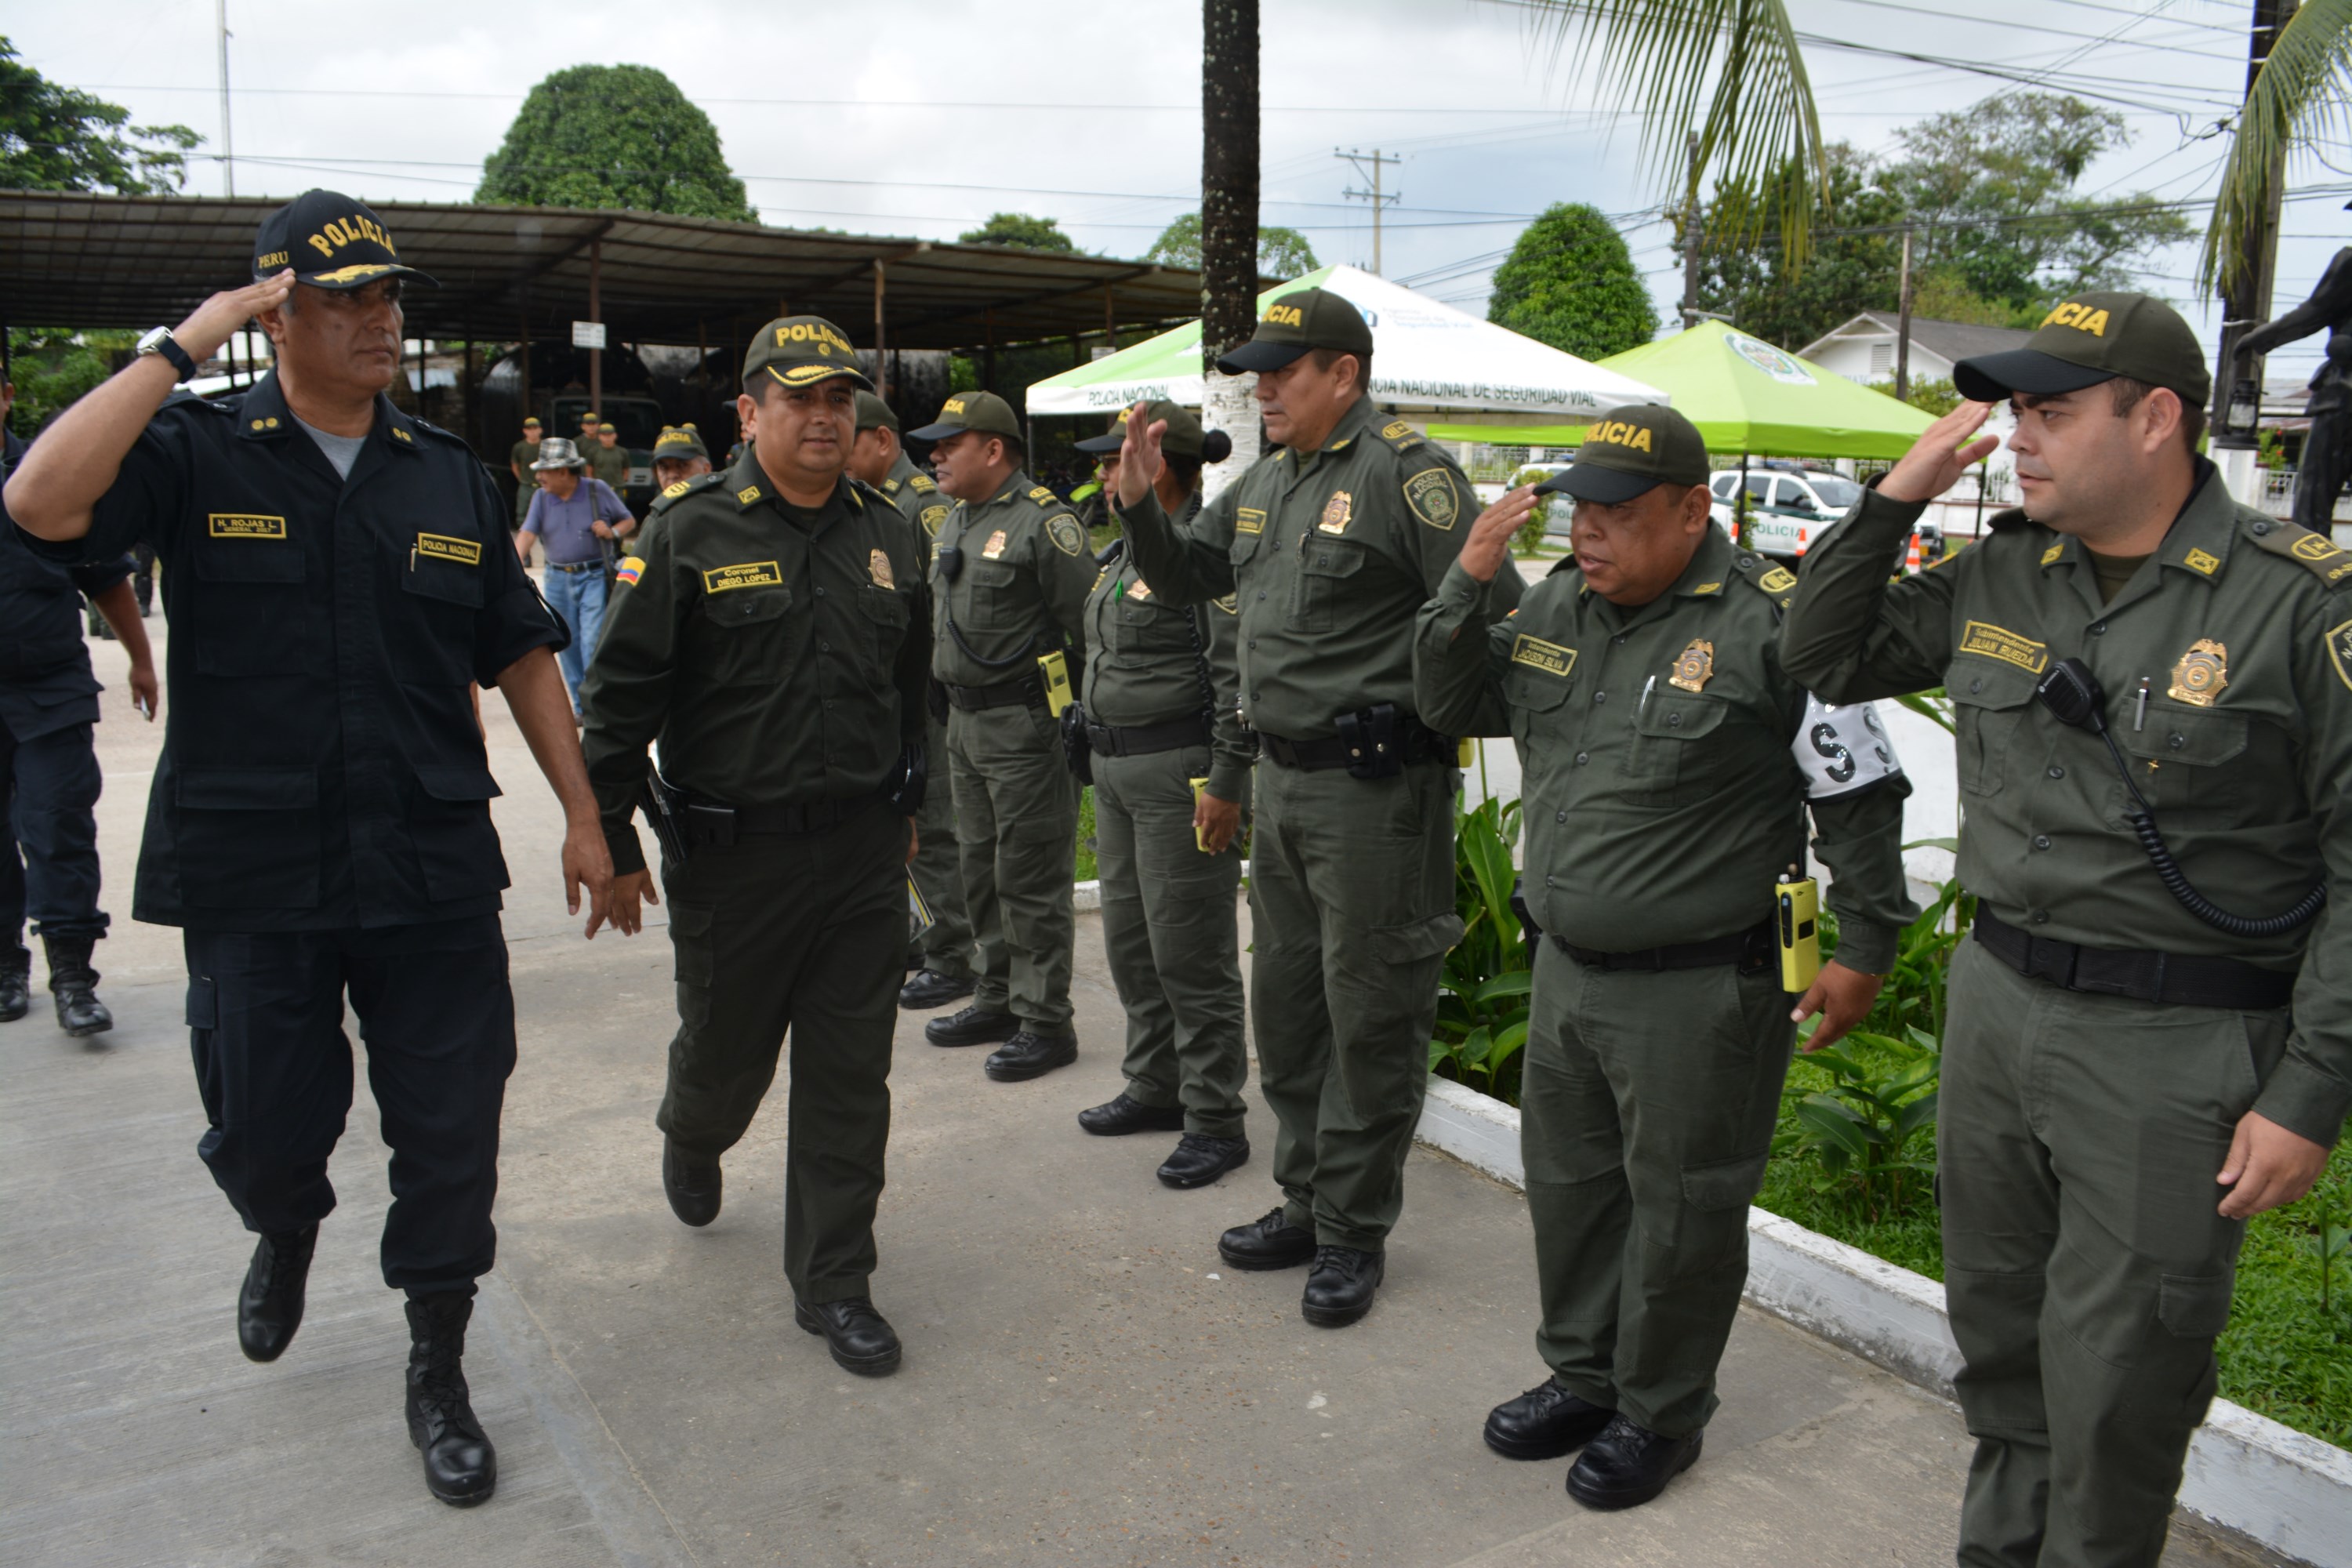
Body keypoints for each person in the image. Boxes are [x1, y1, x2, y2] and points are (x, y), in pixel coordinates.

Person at [2, 189, 612, 1510]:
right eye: (349, 298)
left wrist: (582, 812)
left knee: (451, 1134)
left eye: (391, 295)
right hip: (256, 870)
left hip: (429, 865)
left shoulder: (447, 471)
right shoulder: (195, 448)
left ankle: (437, 1364)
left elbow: (516, 647)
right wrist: (187, 337)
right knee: (268, 1128)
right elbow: (42, 503)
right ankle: (282, 1227)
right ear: (279, 311)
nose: (383, 317)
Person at [1778, 291, 2348, 1567]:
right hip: (1999, 1008)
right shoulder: (2005, 571)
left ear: (2156, 420)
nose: (2016, 436)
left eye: (2050, 410)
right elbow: (1820, 647)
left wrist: (2310, 1090)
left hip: (2175, 1044)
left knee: (2122, 1375)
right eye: (2013, 410)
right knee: (2003, 1343)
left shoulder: (2297, 604)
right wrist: (1895, 497)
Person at [1416, 403, 1918, 1510]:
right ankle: (1586, 1376)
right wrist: (1467, 582)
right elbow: (1449, 699)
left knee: (1685, 1211)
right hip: (1568, 974)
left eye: (1617, 512)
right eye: (1579, 509)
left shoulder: (1777, 626)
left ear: (1693, 511)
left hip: (1704, 988)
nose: (1588, 532)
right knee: (1573, 1193)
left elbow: (1861, 793)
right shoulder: (1559, 601)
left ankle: (1662, 1411)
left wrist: (1867, 945)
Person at [1109, 288, 1523, 1327]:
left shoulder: (1407, 476)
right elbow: (1196, 573)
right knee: (1288, 1013)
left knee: (1371, 1014)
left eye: (1282, 371)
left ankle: (1352, 1228)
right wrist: (1137, 508)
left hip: (1376, 795)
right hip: (1283, 789)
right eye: (1257, 371)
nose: (1263, 387)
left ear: (1344, 374)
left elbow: (1487, 610)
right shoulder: (1266, 485)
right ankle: (1305, 1196)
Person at [579, 316, 930, 1378]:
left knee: (848, 1078)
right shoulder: (687, 534)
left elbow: (912, 687)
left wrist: (913, 798)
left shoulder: (891, 533)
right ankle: (693, 1129)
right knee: (728, 1065)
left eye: (838, 400)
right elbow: (614, 704)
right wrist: (615, 841)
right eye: (798, 399)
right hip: (735, 863)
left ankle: (834, 1283)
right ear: (749, 413)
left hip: (863, 856)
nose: (824, 418)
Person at [1067, 402, 1254, 1189]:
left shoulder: (1203, 556)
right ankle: (1156, 1083)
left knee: (1191, 951)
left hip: (1180, 776)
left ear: (1165, 466)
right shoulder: (1120, 554)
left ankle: (1215, 1116)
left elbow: (1233, 674)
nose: (1108, 474)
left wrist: (1226, 780)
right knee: (1133, 944)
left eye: (1120, 460)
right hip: (1115, 773)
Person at [908, 390, 1094, 1081]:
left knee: (1030, 876)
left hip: (1023, 725)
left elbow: (1089, 627)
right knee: (979, 868)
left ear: (993, 449)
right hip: (962, 721)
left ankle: (1047, 1020)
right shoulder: (956, 519)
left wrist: (1074, 717)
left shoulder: (1043, 525)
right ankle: (997, 996)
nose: (934, 454)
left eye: (949, 444)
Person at [1, 423, 158, 1036]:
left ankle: (72, 977)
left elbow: (105, 576)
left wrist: (141, 662)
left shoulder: (49, 470)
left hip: (50, 689)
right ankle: (5, 968)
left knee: (57, 823)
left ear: (7, 395)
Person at [848, 390, 975, 1009]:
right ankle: (923, 939)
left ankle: (952, 954)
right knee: (904, 821)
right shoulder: (870, 505)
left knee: (933, 825)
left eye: (851, 439)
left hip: (926, 691)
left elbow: (934, 607)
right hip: (893, 691)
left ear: (881, 441)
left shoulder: (920, 506)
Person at [517, 437, 633, 722]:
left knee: (592, 642)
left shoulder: (597, 490)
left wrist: (612, 533)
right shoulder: (541, 498)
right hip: (557, 579)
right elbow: (527, 535)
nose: (539, 476)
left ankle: (599, 703)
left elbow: (628, 521)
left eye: (545, 470)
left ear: (564, 471)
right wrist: (511, 567)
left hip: (594, 575)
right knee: (567, 645)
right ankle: (582, 707)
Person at [650, 423, 713, 491]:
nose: (672, 475)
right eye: (663, 468)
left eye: (682, 465)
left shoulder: (721, 500)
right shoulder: (658, 501)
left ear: (706, 469)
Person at [507, 416, 543, 529]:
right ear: (525, 431)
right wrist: (521, 479)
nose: (532, 432)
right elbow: (515, 465)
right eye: (529, 429)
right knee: (522, 512)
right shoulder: (519, 447)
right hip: (526, 484)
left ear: (540, 430)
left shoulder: (544, 446)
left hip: (543, 485)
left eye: (535, 428)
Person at [589, 421, 629, 491]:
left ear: (615, 436)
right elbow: (589, 470)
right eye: (604, 435)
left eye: (610, 435)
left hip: (618, 488)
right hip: (599, 488)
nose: (607, 438)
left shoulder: (623, 452)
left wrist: (622, 481)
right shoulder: (593, 452)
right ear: (600, 437)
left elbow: (626, 469)